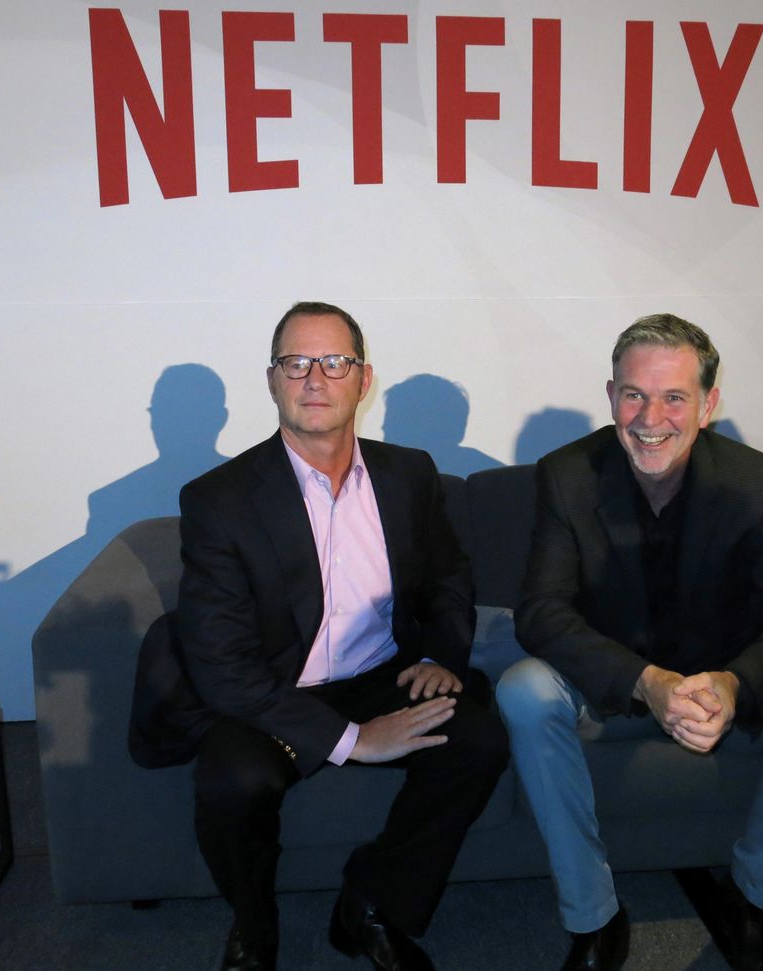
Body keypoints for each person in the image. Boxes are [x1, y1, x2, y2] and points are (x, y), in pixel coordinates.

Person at [496, 313, 763, 971]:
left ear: (708, 404)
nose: (650, 416)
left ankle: (750, 895)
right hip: (611, 679)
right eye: (634, 393)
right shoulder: (567, 473)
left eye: (674, 397)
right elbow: (542, 613)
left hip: (719, 680)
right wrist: (647, 681)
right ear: (611, 396)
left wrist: (733, 684)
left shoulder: (759, 481)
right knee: (523, 689)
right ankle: (594, 915)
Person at [172, 301, 508, 971]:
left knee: (477, 738)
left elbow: (448, 573)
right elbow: (222, 665)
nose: (315, 379)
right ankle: (254, 924)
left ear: (364, 379)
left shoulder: (408, 474)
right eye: (296, 363)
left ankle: (370, 903)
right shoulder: (219, 499)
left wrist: (442, 653)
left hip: (382, 673)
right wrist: (356, 740)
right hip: (274, 691)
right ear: (272, 381)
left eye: (335, 362)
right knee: (231, 780)